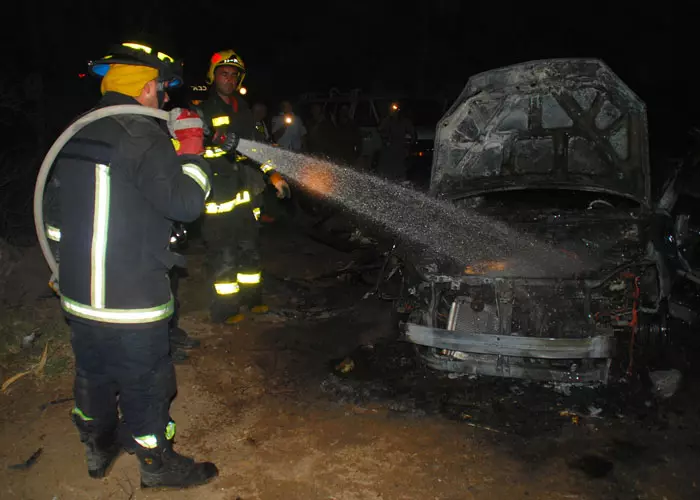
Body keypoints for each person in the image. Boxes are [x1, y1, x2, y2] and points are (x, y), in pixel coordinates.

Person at [54, 40, 217, 488]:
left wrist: (61, 267)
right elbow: (185, 204)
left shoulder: (76, 133)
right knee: (146, 379)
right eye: (162, 90)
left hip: (78, 292)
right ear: (146, 89)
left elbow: (55, 211)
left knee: (93, 371)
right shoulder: (143, 137)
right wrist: (190, 152)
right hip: (131, 296)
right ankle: (155, 463)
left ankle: (97, 447)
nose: (165, 99)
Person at [193, 49, 291, 323]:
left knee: (250, 251)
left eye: (234, 75)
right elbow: (190, 152)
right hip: (217, 198)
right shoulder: (202, 111)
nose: (229, 79)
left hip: (244, 197)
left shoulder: (244, 111)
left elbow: (258, 150)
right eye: (224, 73)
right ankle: (225, 310)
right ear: (214, 77)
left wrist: (273, 176)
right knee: (223, 256)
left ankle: (252, 300)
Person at [377, 101, 416, 181]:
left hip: (400, 150)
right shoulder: (386, 121)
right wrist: (386, 141)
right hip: (389, 151)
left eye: (395, 110)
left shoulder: (405, 122)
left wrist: (408, 146)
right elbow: (380, 131)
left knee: (400, 171)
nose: (393, 112)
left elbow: (413, 135)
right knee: (388, 171)